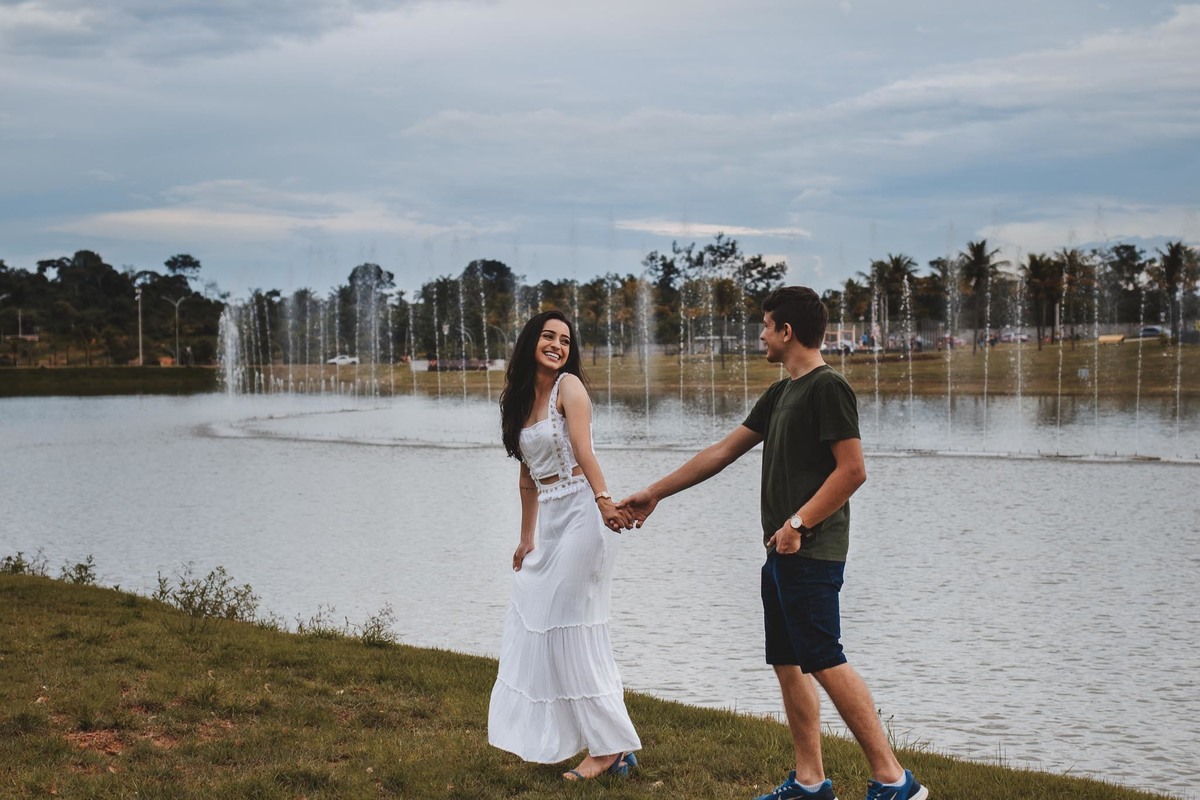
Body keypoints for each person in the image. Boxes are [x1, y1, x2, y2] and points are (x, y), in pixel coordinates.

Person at [619, 287, 927, 800]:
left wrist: (799, 524)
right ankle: (810, 782)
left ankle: (896, 781)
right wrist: (655, 493)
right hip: (781, 551)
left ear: (787, 331)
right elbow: (722, 452)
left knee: (824, 658)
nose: (760, 335)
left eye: (765, 326)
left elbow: (853, 471)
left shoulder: (828, 388)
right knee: (788, 662)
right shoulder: (782, 393)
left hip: (811, 550)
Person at [487, 309, 641, 782]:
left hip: (583, 513)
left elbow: (584, 450)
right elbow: (527, 480)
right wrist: (526, 538)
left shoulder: (568, 388)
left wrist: (603, 501)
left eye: (565, 340)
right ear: (531, 342)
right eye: (549, 337)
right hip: (551, 522)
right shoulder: (518, 401)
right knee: (550, 623)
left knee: (573, 627)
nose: (557, 345)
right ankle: (612, 743)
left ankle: (607, 750)